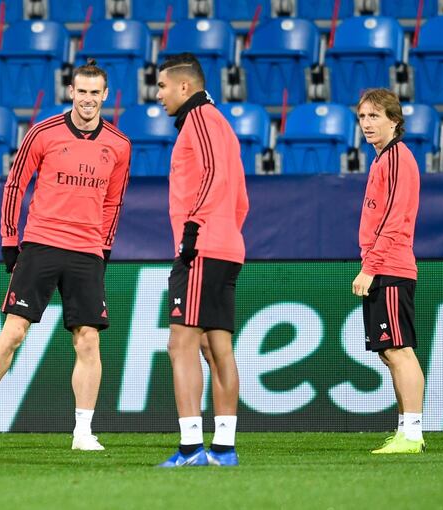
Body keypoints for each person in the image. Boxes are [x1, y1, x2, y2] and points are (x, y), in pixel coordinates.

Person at [0, 60, 131, 452]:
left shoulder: (120, 145)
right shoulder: (42, 132)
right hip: (41, 243)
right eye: (83, 91)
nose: (89, 99)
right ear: (71, 92)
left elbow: (114, 203)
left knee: (88, 340)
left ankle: (82, 431)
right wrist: (10, 240)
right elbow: (14, 186)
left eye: (96, 93)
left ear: (105, 96)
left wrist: (103, 249)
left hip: (87, 251)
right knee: (13, 333)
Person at [155, 53, 249, 467]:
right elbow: (241, 197)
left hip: (202, 246)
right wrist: (226, 230)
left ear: (184, 87)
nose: (157, 95)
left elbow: (210, 173)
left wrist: (193, 230)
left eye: (161, 86)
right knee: (217, 347)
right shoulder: (222, 125)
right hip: (226, 243)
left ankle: (192, 447)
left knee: (181, 344)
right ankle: (224, 449)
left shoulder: (200, 120)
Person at [353, 88, 424, 454]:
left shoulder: (396, 158)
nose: (366, 123)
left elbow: (395, 220)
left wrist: (370, 267)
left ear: (394, 121)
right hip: (385, 265)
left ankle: (412, 434)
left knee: (399, 349)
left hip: (390, 266)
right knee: (389, 352)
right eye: (363, 117)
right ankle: (405, 431)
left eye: (374, 116)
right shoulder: (382, 160)